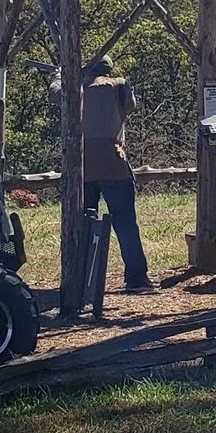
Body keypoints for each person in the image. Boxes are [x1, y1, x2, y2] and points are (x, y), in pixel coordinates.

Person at [77, 56, 152, 293]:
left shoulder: (74, 88)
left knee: (83, 224)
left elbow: (54, 94)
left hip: (82, 163)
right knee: (125, 222)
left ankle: (81, 278)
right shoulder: (120, 85)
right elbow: (130, 105)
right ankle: (137, 279)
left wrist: (61, 75)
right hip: (113, 160)